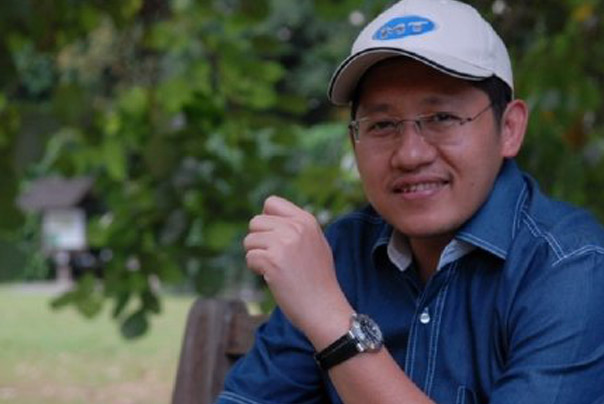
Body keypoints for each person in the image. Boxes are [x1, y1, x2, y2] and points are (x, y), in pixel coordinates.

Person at [216, 0, 604, 403]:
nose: (410, 155)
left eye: (442, 118)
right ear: (354, 140)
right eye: (382, 125)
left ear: (509, 129)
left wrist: (331, 318)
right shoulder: (342, 253)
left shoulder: (572, 267)